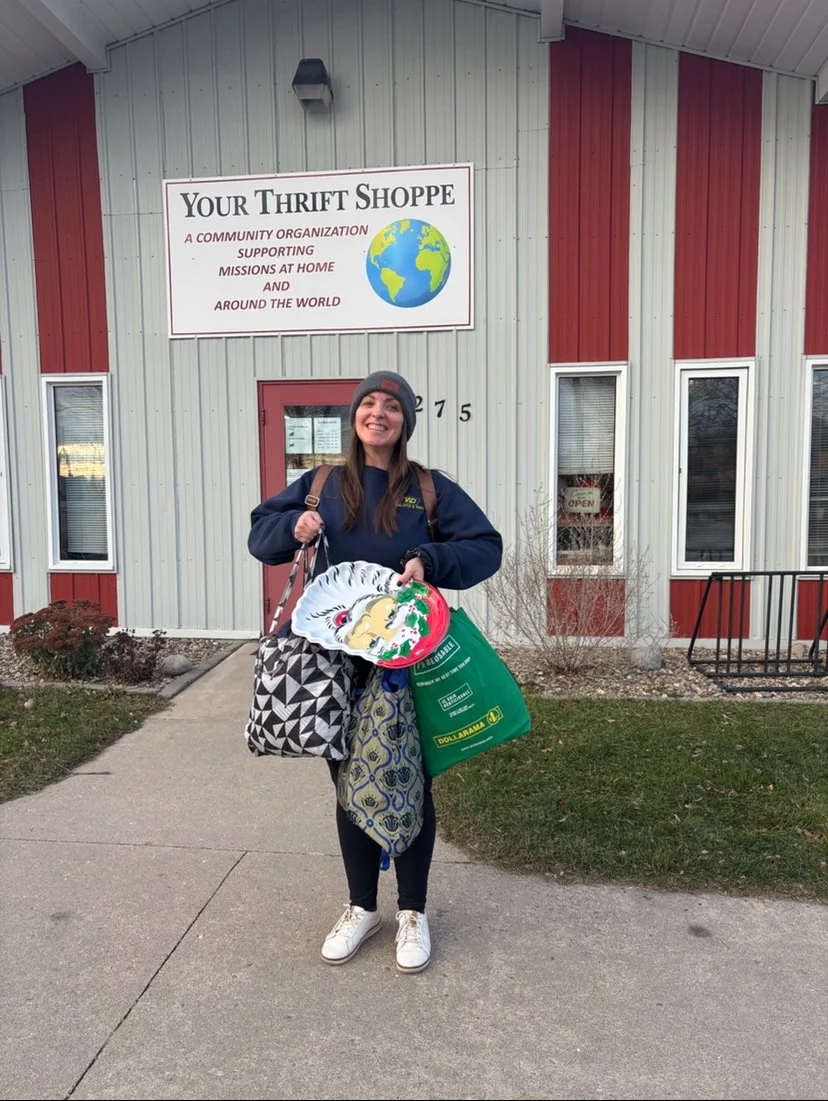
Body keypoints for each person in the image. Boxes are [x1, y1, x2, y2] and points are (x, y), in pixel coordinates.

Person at [248, 371, 502, 973]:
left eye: (392, 406)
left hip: (404, 657)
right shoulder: (322, 484)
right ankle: (362, 906)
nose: (378, 413)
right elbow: (262, 535)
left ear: (405, 422)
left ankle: (412, 911)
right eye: (369, 403)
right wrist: (294, 528)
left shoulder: (429, 488)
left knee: (409, 777)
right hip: (335, 662)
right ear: (354, 417)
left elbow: (485, 547)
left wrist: (430, 558)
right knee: (348, 782)